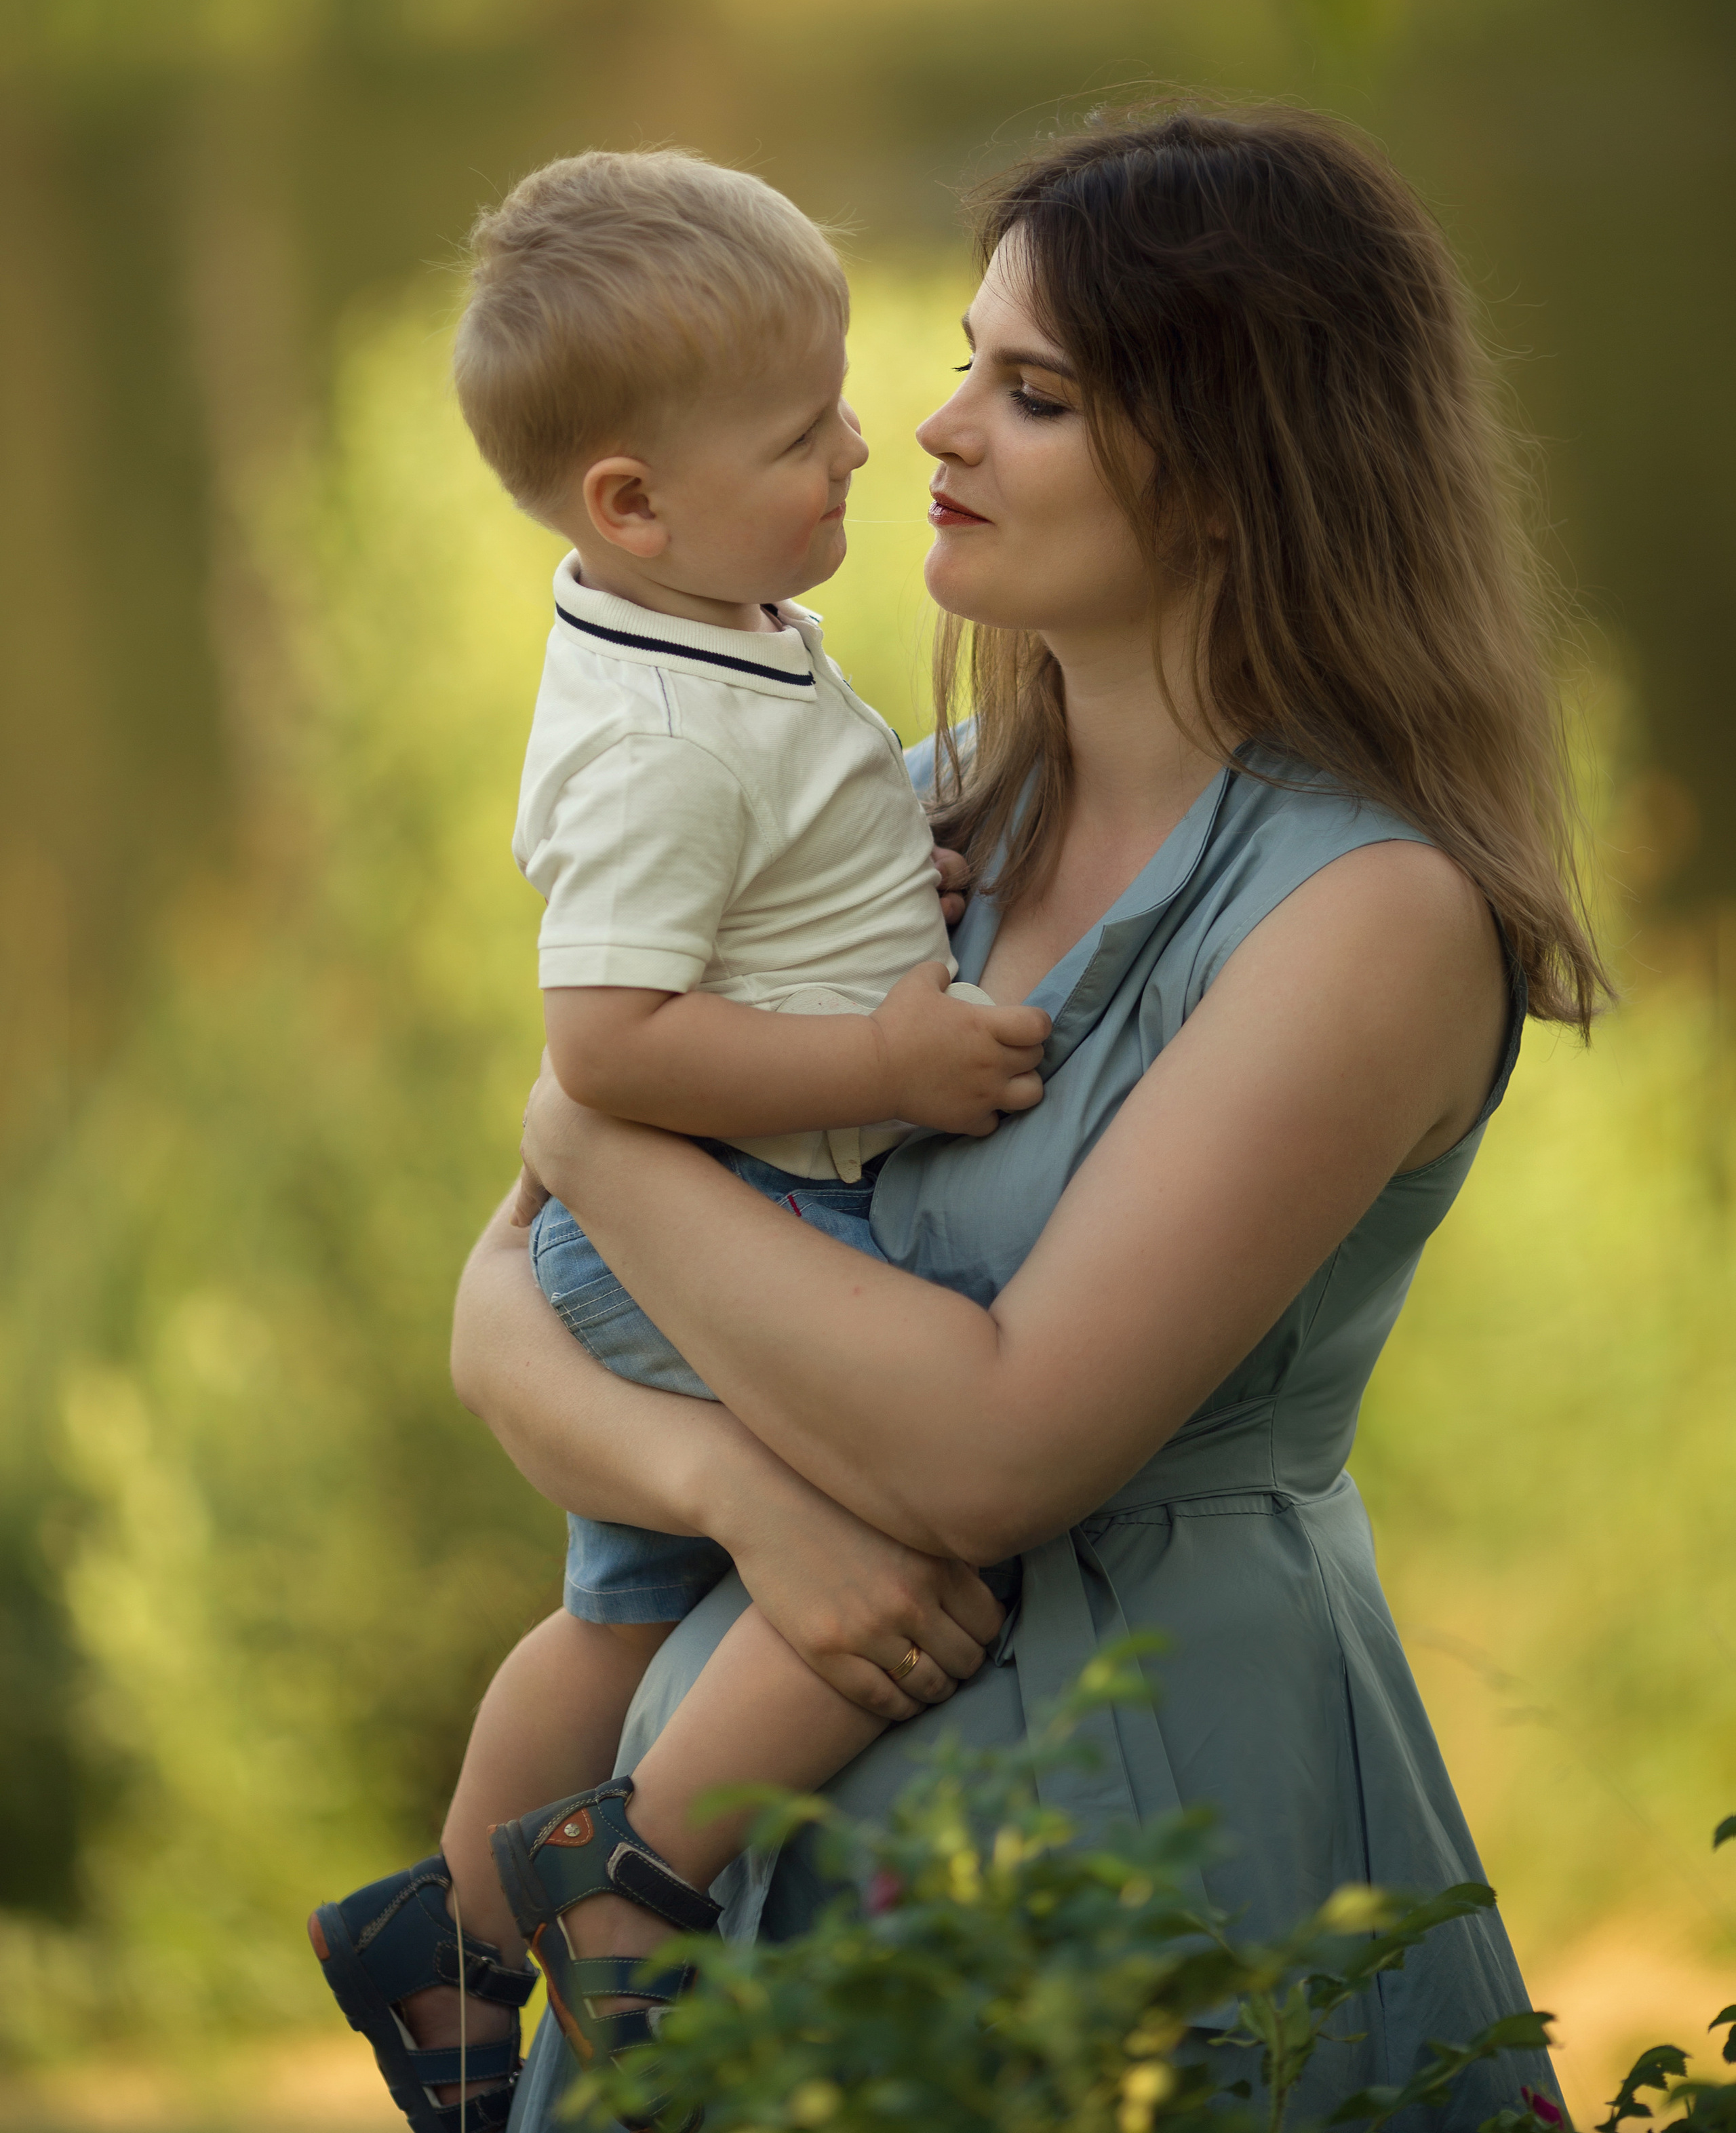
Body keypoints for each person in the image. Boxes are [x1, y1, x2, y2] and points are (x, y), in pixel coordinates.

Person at [456, 106, 1604, 2132]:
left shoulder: (1368, 916)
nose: (936, 430)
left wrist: (593, 1115)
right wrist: (743, 1505)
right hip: (708, 1891)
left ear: (1250, 461)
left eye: (1034, 391)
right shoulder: (914, 805)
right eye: (972, 362)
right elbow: (497, 1319)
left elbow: (994, 1446)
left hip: (1154, 1847)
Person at [307, 149, 1048, 2130]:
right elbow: (611, 1045)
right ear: (630, 498)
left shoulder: (704, 620)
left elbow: (766, 871)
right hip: (707, 1223)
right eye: (806, 432)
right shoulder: (653, 739)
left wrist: (899, 856)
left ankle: (445, 1934)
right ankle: (641, 1879)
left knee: (620, 1604)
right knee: (894, 1522)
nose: (869, 441)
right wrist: (888, 1055)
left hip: (675, 1225)